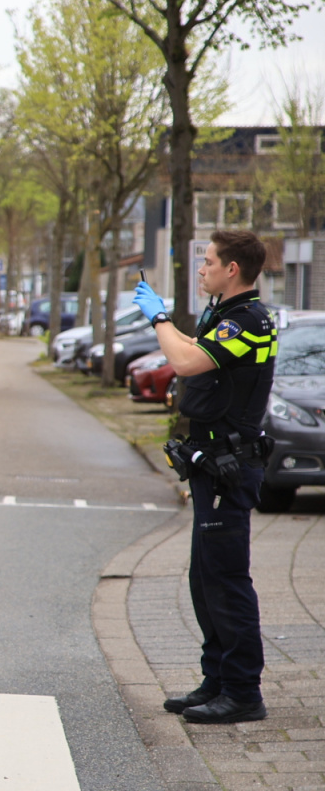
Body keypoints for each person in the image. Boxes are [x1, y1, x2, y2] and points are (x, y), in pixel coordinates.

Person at [135, 230, 278, 724]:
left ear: (232, 269)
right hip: (211, 465)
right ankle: (216, 679)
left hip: (228, 469)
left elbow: (185, 361)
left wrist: (157, 317)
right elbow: (195, 349)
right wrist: (168, 322)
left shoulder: (249, 321)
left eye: (209, 262)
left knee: (225, 580)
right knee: (204, 579)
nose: (202, 269)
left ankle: (242, 692)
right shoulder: (226, 316)